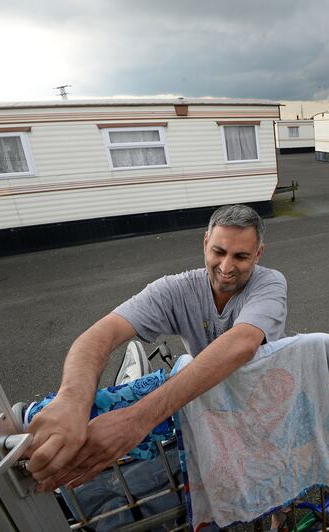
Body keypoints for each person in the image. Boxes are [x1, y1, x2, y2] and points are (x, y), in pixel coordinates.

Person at [25, 204, 287, 493]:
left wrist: (138, 418)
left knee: (273, 479)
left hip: (262, 403)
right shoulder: (175, 290)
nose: (226, 267)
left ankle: (278, 513)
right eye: (218, 252)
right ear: (205, 243)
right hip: (210, 405)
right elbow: (101, 334)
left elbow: (241, 344)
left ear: (259, 254)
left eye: (241, 256)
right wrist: (72, 400)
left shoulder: (269, 284)